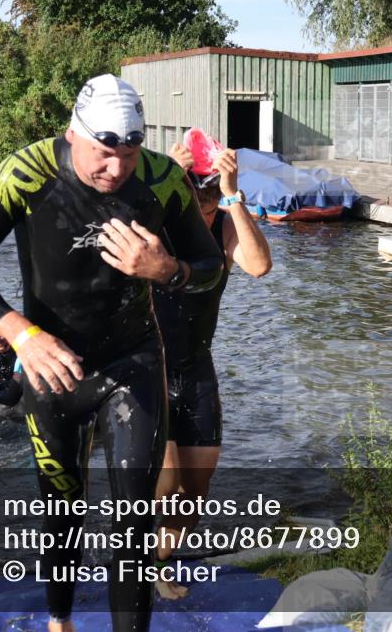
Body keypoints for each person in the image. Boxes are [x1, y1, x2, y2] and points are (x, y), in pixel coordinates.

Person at [0, 73, 223, 632]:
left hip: (132, 365)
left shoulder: (163, 182)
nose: (116, 170)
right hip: (52, 369)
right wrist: (20, 332)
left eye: (129, 153)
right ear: (74, 133)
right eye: (101, 152)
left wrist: (169, 271)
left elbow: (210, 268)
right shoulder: (28, 172)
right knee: (60, 511)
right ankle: (60, 620)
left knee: (133, 524)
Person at [152, 143, 272, 599]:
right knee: (164, 482)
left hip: (197, 371)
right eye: (193, 196)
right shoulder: (159, 224)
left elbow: (259, 265)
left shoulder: (223, 224)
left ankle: (158, 559)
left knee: (195, 489)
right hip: (150, 371)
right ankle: (140, 562)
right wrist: (164, 182)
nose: (201, 211)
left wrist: (232, 195)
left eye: (208, 199)